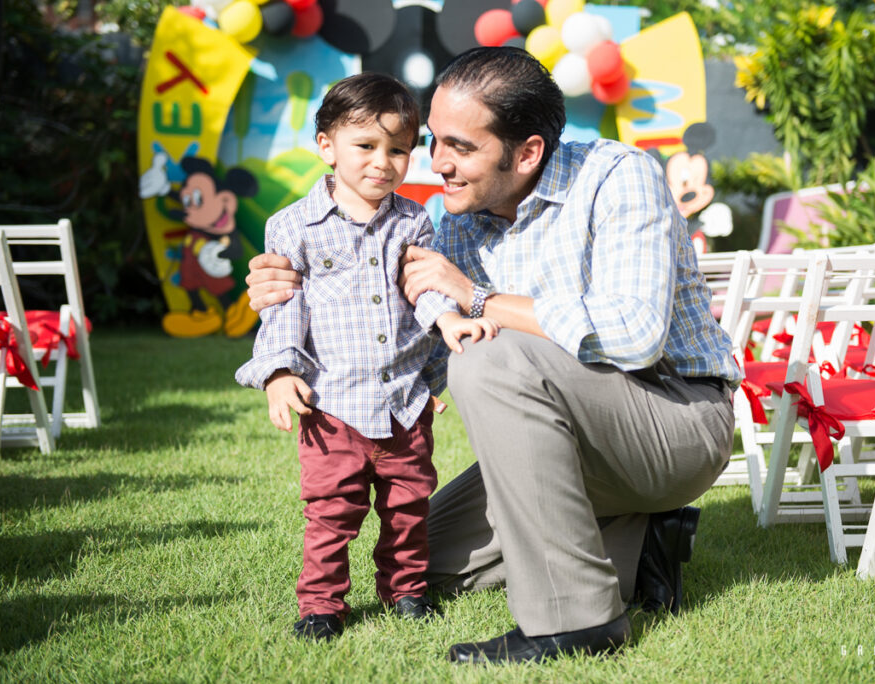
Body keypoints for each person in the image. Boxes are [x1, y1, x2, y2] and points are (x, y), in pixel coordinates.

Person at [245, 47, 742, 663]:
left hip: (672, 421)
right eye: (433, 141)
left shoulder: (619, 178)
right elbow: (406, 323)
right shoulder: (450, 220)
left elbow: (634, 335)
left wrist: (479, 297)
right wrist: (291, 287)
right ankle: (642, 546)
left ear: (527, 152)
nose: (437, 164)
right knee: (425, 563)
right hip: (567, 440)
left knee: (487, 357)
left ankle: (577, 621)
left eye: (460, 147)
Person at [234, 73, 499, 643]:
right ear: (326, 145)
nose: (383, 161)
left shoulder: (414, 220)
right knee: (332, 513)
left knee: (408, 508)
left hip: (404, 400)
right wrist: (280, 374)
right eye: (366, 146)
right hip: (332, 404)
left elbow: (422, 284)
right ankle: (321, 604)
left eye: (398, 149)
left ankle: (406, 590)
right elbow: (282, 307)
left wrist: (448, 318)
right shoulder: (292, 227)